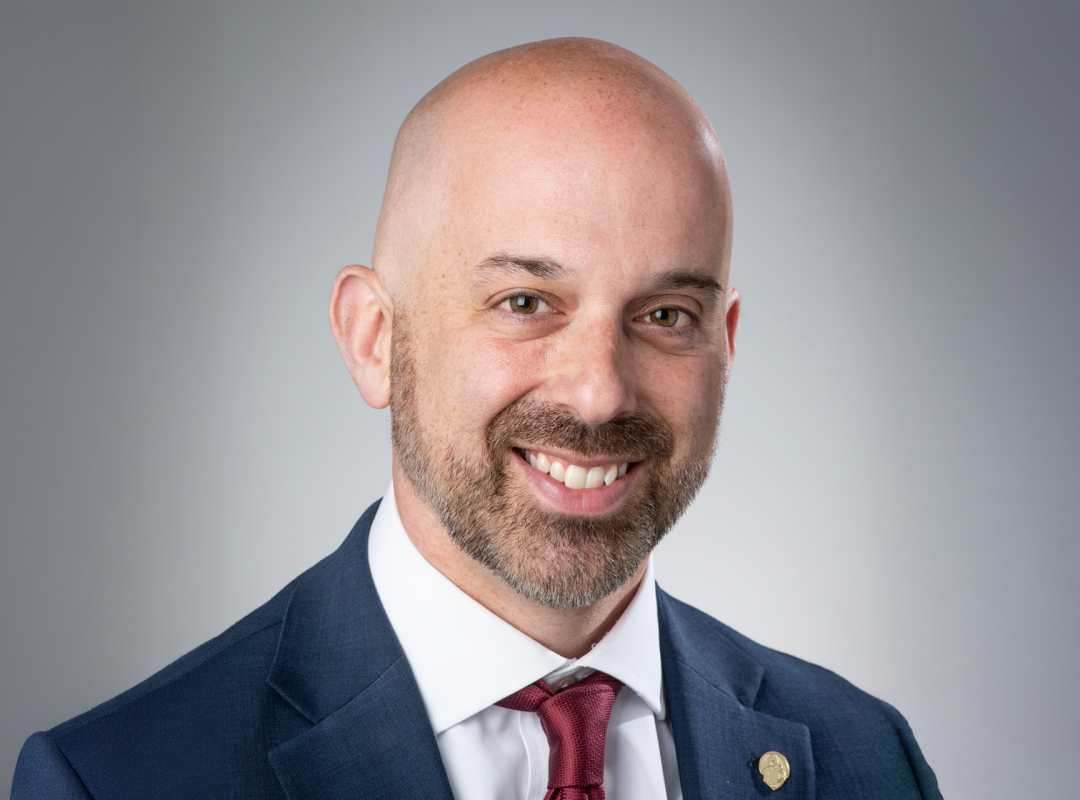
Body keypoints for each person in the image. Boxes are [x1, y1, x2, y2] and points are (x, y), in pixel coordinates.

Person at [12, 38, 942, 799]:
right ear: (375, 339)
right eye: (526, 303)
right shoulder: (119, 779)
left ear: (725, 344)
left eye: (665, 317)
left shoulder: (869, 761)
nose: (598, 394)